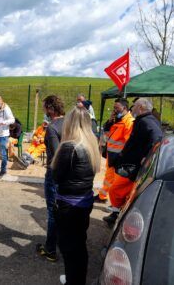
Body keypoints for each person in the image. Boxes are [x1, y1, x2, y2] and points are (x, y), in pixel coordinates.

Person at [52, 106, 101, 285]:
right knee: (79, 245)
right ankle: (77, 279)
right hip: (84, 202)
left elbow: (56, 177)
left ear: (70, 123)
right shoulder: (92, 143)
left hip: (68, 206)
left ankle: (74, 280)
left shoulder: (69, 147)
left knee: (68, 247)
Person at [103, 98, 163, 225]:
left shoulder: (146, 122)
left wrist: (147, 157)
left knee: (115, 189)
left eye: (134, 105)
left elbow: (157, 137)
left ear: (141, 107)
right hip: (129, 163)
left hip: (133, 166)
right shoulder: (144, 120)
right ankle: (117, 215)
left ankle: (116, 215)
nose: (132, 108)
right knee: (122, 191)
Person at [36, 95, 65, 262]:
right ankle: (61, 243)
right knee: (63, 209)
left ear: (50, 108)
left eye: (45, 107)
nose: (44, 111)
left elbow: (56, 156)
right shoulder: (69, 122)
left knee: (53, 211)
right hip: (69, 174)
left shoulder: (53, 128)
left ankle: (50, 250)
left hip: (55, 175)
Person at [96, 98, 134, 204]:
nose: (115, 110)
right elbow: (108, 135)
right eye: (114, 107)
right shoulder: (118, 120)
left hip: (119, 157)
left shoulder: (128, 122)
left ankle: (115, 206)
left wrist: (121, 156)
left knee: (117, 183)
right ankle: (102, 196)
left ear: (125, 108)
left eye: (117, 108)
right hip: (111, 155)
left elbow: (128, 143)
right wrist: (109, 122)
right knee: (108, 178)